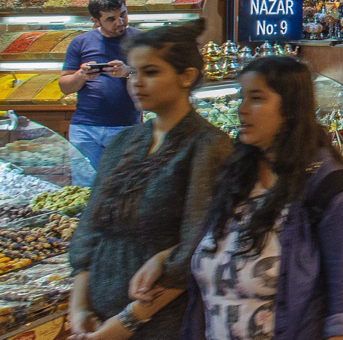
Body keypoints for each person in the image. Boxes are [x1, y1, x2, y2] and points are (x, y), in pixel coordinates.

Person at [184, 56, 343, 340]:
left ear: (289, 108)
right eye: (242, 97)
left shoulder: (332, 193)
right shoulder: (236, 179)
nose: (242, 109)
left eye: (257, 99)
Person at [68, 20, 230, 340]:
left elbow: (197, 249)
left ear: (187, 77)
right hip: (98, 318)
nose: (136, 83)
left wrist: (121, 326)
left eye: (151, 72)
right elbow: (90, 228)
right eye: (132, 72)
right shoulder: (123, 142)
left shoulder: (209, 146)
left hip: (162, 325)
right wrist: (78, 308)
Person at [60, 0, 142, 184]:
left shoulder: (141, 40)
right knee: (86, 188)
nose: (120, 22)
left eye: (123, 14)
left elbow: (156, 79)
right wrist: (81, 76)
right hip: (85, 129)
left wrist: (128, 72)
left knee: (123, 187)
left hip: (126, 127)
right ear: (96, 20)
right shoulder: (80, 43)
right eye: (111, 19)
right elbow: (65, 86)